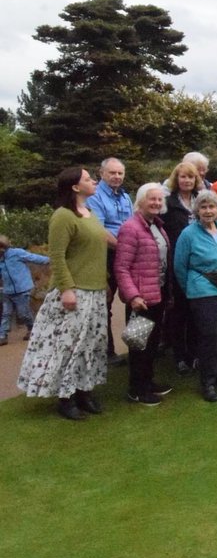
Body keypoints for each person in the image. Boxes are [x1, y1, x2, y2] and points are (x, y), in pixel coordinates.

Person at [17, 168, 109, 420]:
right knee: (68, 346)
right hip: (74, 292)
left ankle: (83, 392)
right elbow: (56, 256)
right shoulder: (63, 216)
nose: (94, 181)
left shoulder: (89, 213)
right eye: (89, 179)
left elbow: (104, 239)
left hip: (95, 290)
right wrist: (67, 289)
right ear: (76, 187)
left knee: (89, 345)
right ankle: (65, 398)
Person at [172, 190, 217, 403]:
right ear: (197, 211)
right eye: (203, 207)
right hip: (203, 291)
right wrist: (193, 288)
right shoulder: (188, 234)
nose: (208, 211)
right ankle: (208, 382)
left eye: (212, 207)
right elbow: (179, 266)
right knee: (210, 337)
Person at [114, 183, 174, 405]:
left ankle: (148, 382)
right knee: (139, 345)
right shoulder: (131, 228)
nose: (157, 203)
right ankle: (136, 389)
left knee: (152, 342)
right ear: (140, 201)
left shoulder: (156, 225)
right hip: (141, 299)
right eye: (152, 199)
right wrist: (133, 296)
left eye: (160, 199)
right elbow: (121, 267)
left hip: (157, 294)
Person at [87, 156, 132, 363]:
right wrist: (124, 246)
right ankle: (107, 353)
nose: (116, 176)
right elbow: (99, 230)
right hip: (106, 254)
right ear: (102, 173)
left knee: (134, 300)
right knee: (104, 304)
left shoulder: (124, 196)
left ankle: (137, 348)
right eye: (112, 173)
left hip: (127, 253)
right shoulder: (95, 196)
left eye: (120, 173)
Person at [162, 161, 201, 375]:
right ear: (176, 180)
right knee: (179, 313)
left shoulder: (200, 201)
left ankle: (194, 354)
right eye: (183, 177)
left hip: (199, 263)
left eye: (191, 177)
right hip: (177, 263)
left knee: (196, 311)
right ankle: (179, 357)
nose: (187, 181)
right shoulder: (167, 203)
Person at [0, 234, 49, 346]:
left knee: (24, 313)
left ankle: (32, 328)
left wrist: (49, 260)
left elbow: (33, 257)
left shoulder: (16, 253)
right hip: (8, 291)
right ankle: (2, 336)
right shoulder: (0, 259)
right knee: (6, 313)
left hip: (22, 289)